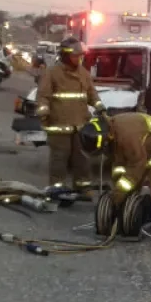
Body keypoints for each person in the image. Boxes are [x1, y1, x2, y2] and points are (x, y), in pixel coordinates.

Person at [78, 112, 151, 238]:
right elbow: (119, 167)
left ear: (106, 139)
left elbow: (137, 166)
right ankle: (126, 217)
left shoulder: (127, 136)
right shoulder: (108, 134)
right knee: (123, 181)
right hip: (136, 146)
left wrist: (120, 192)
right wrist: (118, 190)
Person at [35, 37, 106, 196]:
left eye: (80, 56)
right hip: (58, 124)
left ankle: (83, 187)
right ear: (66, 55)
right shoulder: (52, 73)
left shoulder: (84, 73)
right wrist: (43, 111)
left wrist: (100, 107)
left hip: (80, 124)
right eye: (76, 56)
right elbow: (43, 95)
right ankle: (57, 189)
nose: (79, 59)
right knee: (59, 159)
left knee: (82, 159)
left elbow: (91, 93)